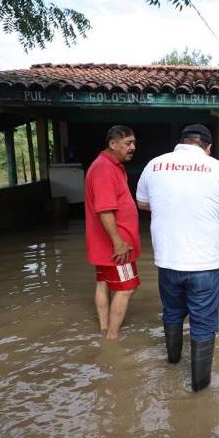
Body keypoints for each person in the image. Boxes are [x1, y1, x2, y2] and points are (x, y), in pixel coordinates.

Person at [135, 123, 219, 391]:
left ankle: (172, 362)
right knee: (204, 322)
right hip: (204, 264)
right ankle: (200, 387)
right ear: (208, 147)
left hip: (167, 261)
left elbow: (142, 203)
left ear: (181, 142)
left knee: (172, 312)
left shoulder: (155, 165)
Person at [85, 125, 141, 340]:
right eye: (128, 143)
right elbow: (105, 209)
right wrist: (118, 242)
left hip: (104, 244)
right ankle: (112, 338)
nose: (133, 147)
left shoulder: (110, 165)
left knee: (103, 283)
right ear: (112, 144)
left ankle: (103, 329)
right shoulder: (104, 169)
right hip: (117, 246)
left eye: (133, 142)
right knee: (127, 288)